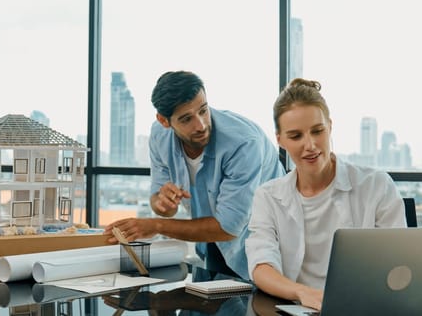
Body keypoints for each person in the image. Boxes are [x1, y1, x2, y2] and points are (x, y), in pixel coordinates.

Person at [104, 70, 285, 281]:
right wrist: (163, 204)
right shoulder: (159, 136)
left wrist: (154, 225)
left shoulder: (243, 143)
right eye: (186, 118)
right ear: (164, 121)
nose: (200, 125)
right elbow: (158, 201)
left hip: (265, 246)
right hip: (213, 244)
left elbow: (228, 226)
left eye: (203, 110)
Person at [245, 78, 406, 310]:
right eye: (296, 136)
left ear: (330, 126)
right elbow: (261, 266)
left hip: (365, 307)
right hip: (298, 307)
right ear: (280, 140)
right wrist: (303, 293)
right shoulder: (268, 196)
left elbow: (398, 263)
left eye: (317, 131)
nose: (310, 145)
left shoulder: (376, 185)